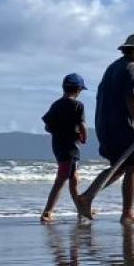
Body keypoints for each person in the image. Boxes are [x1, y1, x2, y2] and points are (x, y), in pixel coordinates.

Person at [80, 34, 134, 224]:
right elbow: (132, 98)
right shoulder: (133, 68)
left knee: (119, 165)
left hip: (106, 126)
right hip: (124, 126)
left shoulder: (114, 67)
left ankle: (87, 197)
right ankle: (128, 212)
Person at [39, 73, 89, 223]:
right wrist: (83, 137)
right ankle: (47, 211)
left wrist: (60, 131)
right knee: (61, 180)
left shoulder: (56, 105)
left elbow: (47, 127)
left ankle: (81, 209)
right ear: (79, 90)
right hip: (71, 148)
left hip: (58, 146)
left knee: (74, 180)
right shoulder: (78, 106)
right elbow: (82, 125)